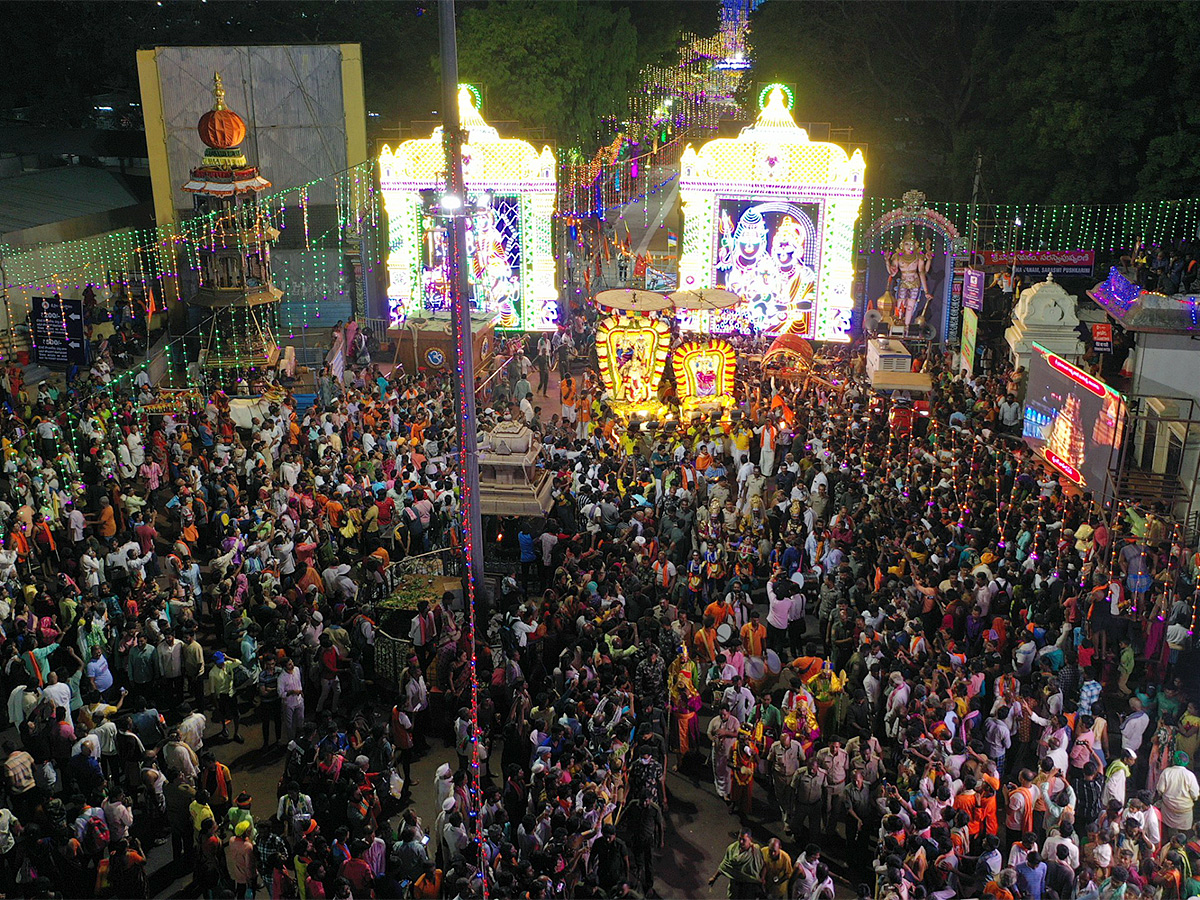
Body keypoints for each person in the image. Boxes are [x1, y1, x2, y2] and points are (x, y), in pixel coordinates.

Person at [708, 830, 764, 899]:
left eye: (744, 840)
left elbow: (762, 865)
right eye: (739, 838)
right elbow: (725, 865)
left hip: (749, 887)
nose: (741, 842)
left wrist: (762, 878)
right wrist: (714, 877)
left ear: (750, 839)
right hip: (735, 886)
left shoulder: (756, 851)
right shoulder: (732, 849)